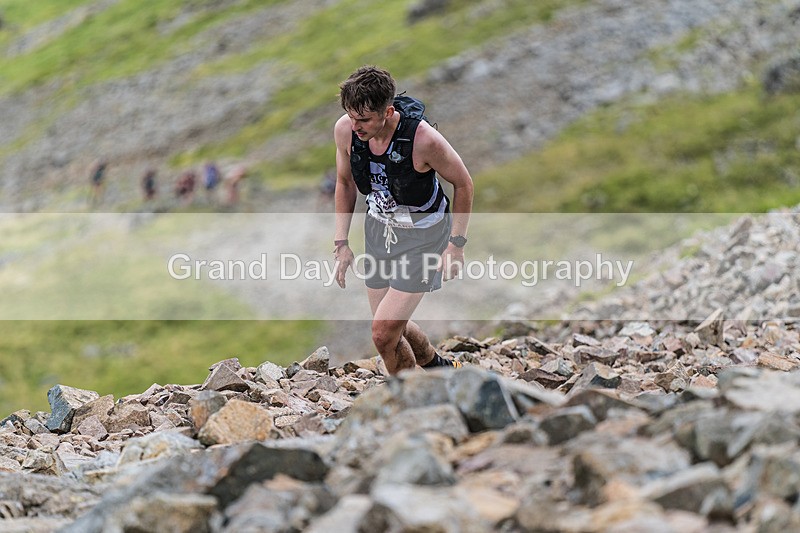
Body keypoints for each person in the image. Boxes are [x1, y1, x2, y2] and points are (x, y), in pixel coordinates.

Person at [333, 66, 474, 375]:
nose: (355, 126)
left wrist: (456, 246)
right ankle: (441, 368)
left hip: (424, 236)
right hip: (379, 231)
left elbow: (464, 184)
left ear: (388, 111)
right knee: (391, 327)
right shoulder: (345, 129)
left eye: (364, 119)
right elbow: (345, 184)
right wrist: (341, 243)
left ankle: (408, 398)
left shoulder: (424, 139)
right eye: (351, 116)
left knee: (383, 334)